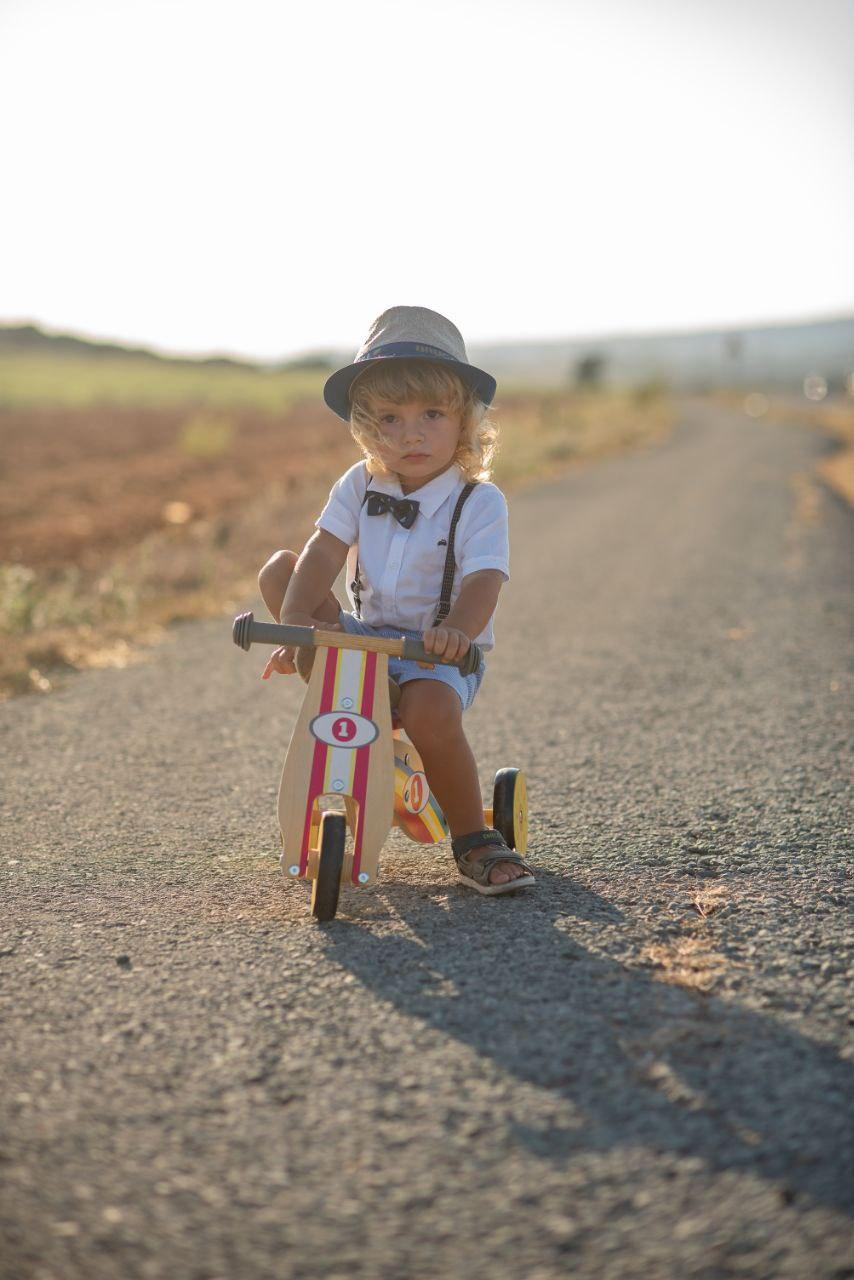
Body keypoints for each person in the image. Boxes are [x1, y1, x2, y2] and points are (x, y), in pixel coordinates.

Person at [257, 306, 535, 895]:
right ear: (367, 427)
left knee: (432, 712)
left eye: (432, 414)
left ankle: (473, 840)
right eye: (391, 417)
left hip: (436, 654)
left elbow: (486, 579)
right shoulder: (360, 483)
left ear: (464, 420)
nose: (411, 432)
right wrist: (296, 626)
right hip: (364, 640)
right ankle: (348, 680)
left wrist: (456, 631)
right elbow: (325, 551)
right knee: (282, 569)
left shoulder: (479, 502)